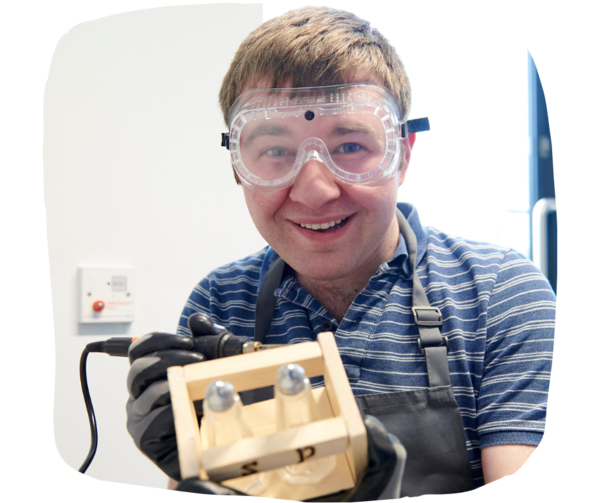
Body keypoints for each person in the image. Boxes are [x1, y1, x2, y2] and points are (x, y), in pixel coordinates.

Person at [126, 6, 557, 498]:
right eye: (275, 151)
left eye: (350, 146)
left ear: (403, 154)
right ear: (238, 168)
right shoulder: (221, 304)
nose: (314, 191)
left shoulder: (499, 295)